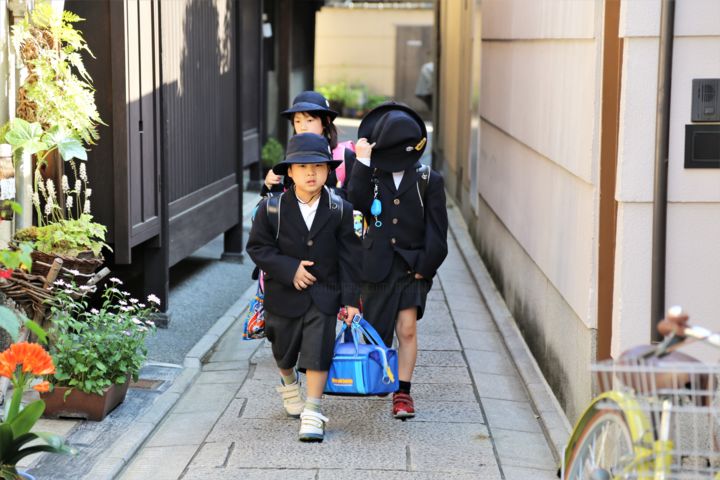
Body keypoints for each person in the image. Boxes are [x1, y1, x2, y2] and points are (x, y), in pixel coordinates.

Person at [246, 133, 362, 442]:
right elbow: (258, 249)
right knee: (282, 349)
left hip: (324, 294)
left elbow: (350, 257)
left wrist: (350, 300)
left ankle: (313, 411)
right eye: (302, 167)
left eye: (318, 167)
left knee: (318, 349)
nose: (311, 173)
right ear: (290, 172)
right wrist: (289, 269)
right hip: (282, 295)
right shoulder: (272, 209)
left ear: (328, 170)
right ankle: (288, 381)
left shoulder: (340, 209)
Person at [347, 102, 448, 419]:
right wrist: (361, 163)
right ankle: (379, 377)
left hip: (410, 266)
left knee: (406, 330)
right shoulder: (368, 171)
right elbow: (356, 202)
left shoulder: (429, 179)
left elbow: (437, 230)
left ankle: (403, 392)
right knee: (375, 331)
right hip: (374, 264)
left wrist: (425, 267)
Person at [262, 91, 356, 199]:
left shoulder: (344, 156)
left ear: (326, 121)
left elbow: (355, 198)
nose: (303, 127)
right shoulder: (293, 156)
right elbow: (287, 197)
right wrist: (270, 185)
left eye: (309, 120)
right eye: (297, 121)